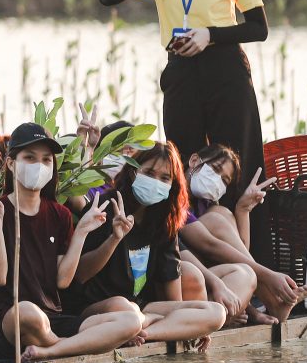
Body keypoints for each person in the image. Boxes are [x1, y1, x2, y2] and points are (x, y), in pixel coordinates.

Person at [98, 0, 274, 266]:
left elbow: (258, 28)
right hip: (180, 70)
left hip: (226, 69)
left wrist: (210, 35)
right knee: (182, 167)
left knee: (238, 169)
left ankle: (253, 267)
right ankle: (186, 262)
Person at [0, 122, 142, 362]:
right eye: (29, 158)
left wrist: (81, 231)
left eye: (46, 160)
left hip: (53, 319)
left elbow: (62, 280)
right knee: (28, 313)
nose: (38, 166)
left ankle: (52, 350)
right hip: (10, 321)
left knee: (130, 319)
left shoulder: (60, 214)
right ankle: (72, 345)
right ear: (11, 164)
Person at [63, 142, 231, 343]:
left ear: (172, 185)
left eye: (165, 178)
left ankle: (142, 333)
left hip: (142, 308)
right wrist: (114, 239)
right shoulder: (105, 207)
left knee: (214, 312)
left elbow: (173, 296)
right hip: (97, 307)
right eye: (149, 173)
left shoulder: (164, 221)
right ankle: (131, 328)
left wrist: (188, 323)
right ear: (134, 172)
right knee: (123, 307)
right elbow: (80, 275)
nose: (156, 182)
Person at [179, 143, 307, 323]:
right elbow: (210, 245)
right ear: (194, 160)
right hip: (187, 278)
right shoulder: (175, 198)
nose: (216, 180)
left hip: (212, 277)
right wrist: (269, 276)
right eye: (215, 169)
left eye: (224, 180)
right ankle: (271, 300)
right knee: (217, 218)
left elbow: (239, 252)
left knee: (222, 214)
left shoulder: (203, 204)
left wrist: (243, 209)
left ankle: (263, 303)